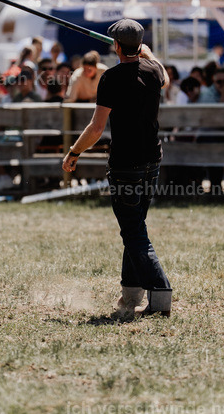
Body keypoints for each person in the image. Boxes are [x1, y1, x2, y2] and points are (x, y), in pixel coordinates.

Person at [62, 19, 172, 319]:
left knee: (133, 231)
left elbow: (96, 128)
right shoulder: (154, 71)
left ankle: (161, 293)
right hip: (152, 160)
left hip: (126, 164)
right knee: (135, 227)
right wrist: (147, 54)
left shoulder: (110, 78)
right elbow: (164, 77)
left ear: (117, 46)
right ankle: (131, 295)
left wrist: (74, 152)